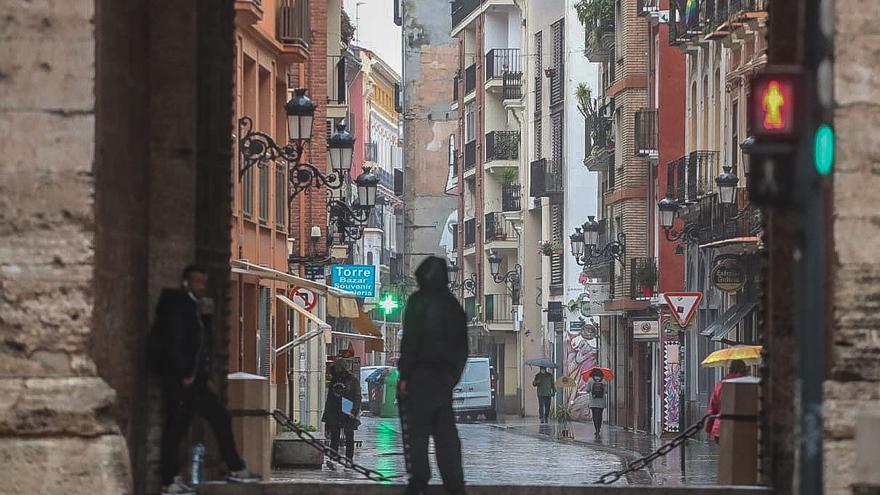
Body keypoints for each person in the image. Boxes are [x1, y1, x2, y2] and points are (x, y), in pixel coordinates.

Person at [150, 265, 257, 495]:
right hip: (184, 380)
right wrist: (185, 373)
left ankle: (231, 466)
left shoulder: (192, 306)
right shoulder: (179, 306)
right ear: (185, 282)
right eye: (197, 282)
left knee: (199, 422)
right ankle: (170, 480)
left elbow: (198, 342)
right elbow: (177, 341)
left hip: (192, 379)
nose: (201, 286)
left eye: (203, 282)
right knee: (181, 426)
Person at [397, 257, 469, 495]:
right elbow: (462, 347)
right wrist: (452, 377)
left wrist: (405, 375)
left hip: (419, 377)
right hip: (443, 380)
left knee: (416, 432)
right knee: (446, 433)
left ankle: (419, 480)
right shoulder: (453, 306)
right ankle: (454, 483)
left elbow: (410, 341)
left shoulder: (418, 302)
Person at [321, 359, 362, 470]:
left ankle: (349, 461)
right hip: (335, 409)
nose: (337, 369)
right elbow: (330, 397)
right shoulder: (334, 379)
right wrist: (327, 415)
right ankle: (333, 460)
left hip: (347, 406)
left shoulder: (352, 380)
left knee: (349, 436)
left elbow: (357, 396)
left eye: (338, 367)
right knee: (334, 436)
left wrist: (354, 410)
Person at [705, 359, 749, 443]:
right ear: (744, 370)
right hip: (744, 428)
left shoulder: (721, 384)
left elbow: (713, 407)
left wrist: (710, 428)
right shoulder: (748, 385)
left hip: (721, 428)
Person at [585, 369, 607, 438]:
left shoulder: (590, 380)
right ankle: (599, 428)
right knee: (600, 415)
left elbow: (587, 390)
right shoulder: (603, 380)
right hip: (601, 401)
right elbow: (606, 391)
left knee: (594, 416)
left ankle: (596, 429)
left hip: (593, 401)